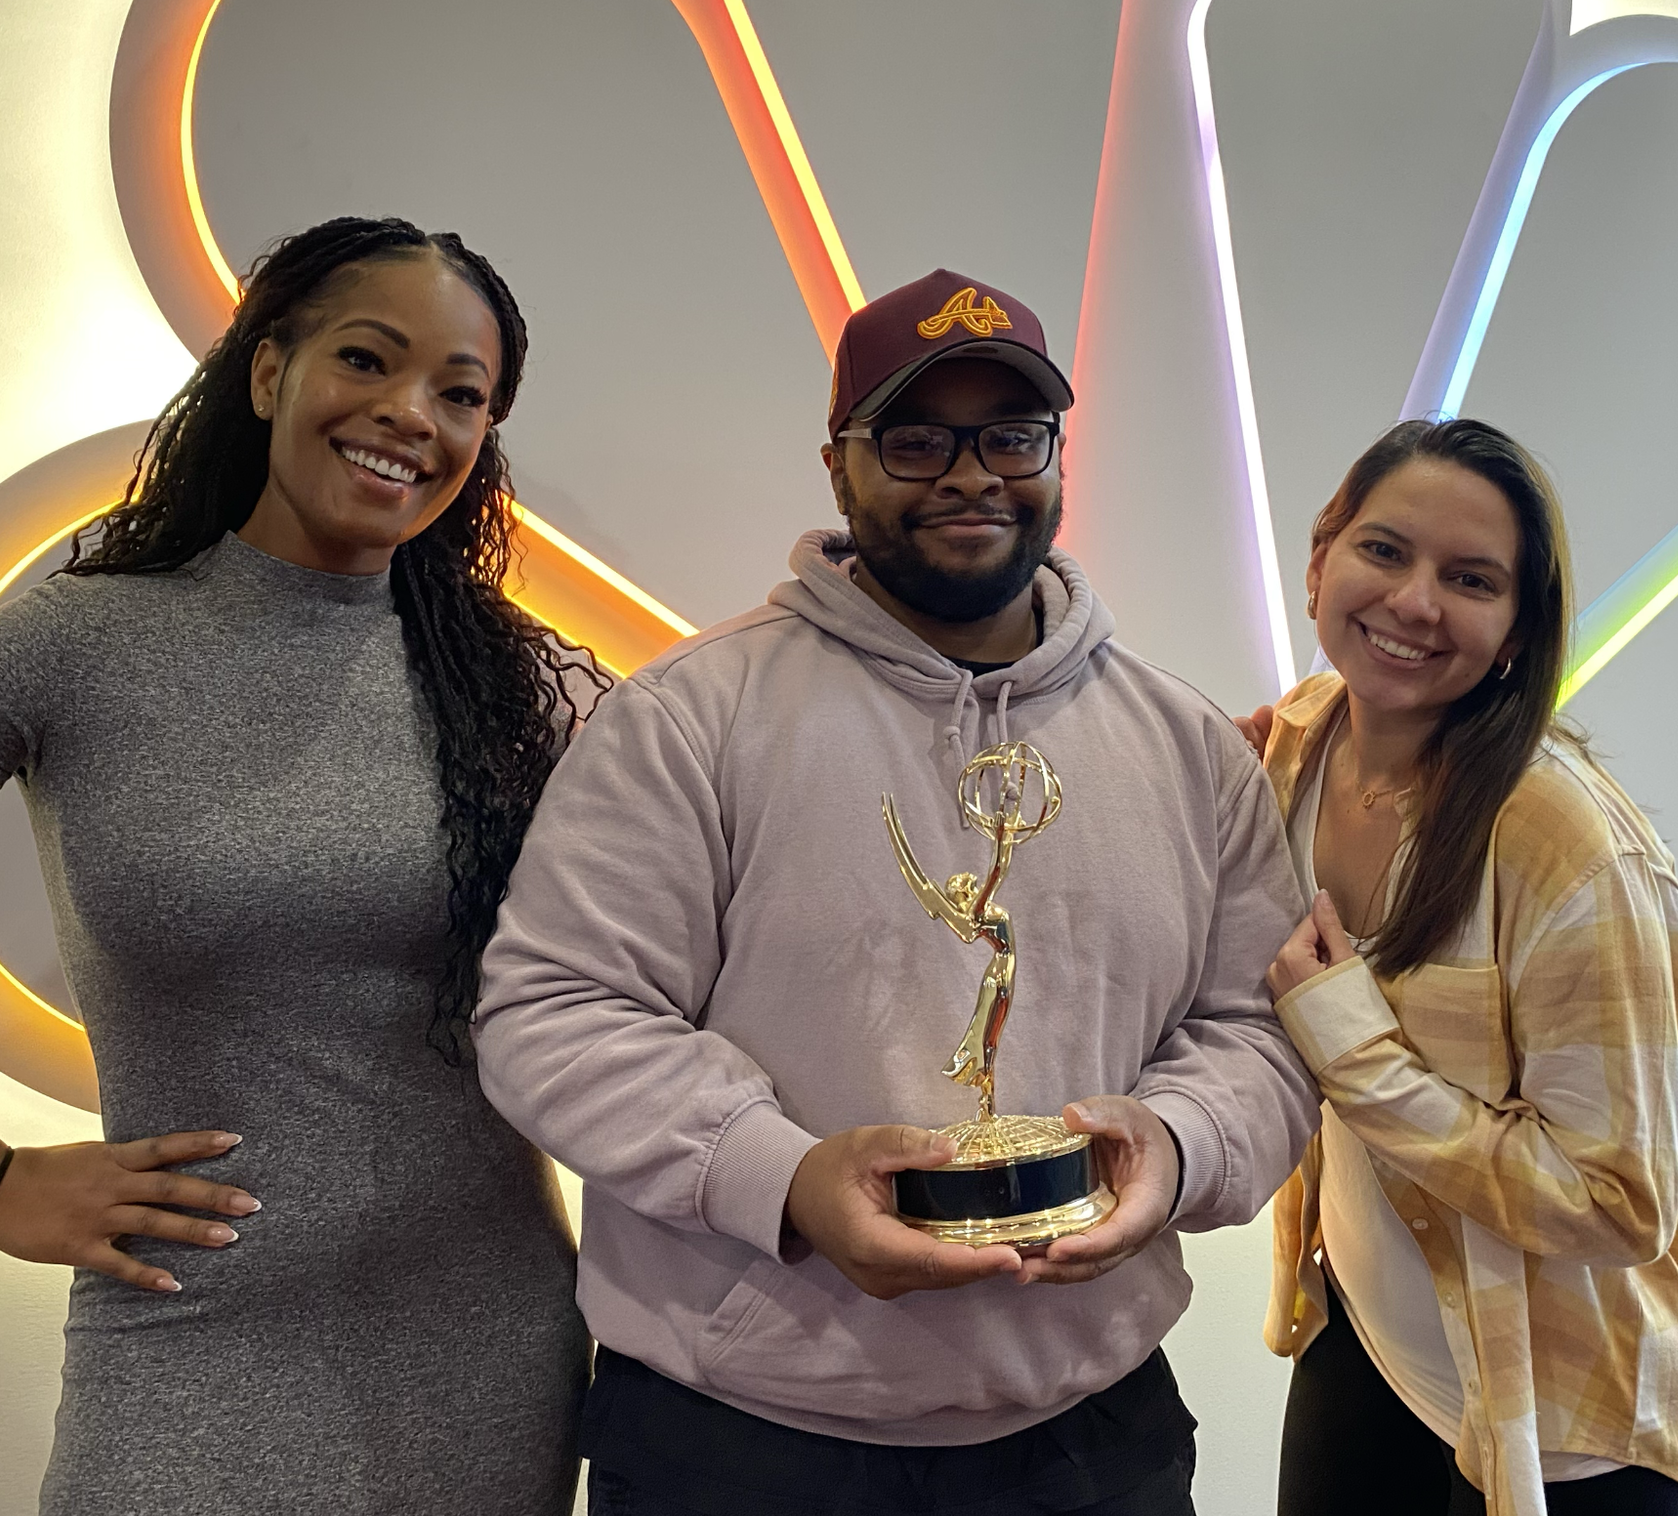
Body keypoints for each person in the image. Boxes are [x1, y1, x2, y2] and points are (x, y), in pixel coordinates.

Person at [0, 217, 600, 1515]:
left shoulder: (497, 684)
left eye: (460, 392)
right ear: (270, 370)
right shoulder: (80, 642)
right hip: (192, 1344)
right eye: (368, 359)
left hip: (481, 1351)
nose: (410, 415)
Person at [474, 267, 1319, 1516]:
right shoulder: (687, 722)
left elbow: (1258, 1029)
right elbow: (553, 1011)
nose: (970, 474)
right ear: (838, 464)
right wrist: (786, 1181)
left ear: (1055, 456)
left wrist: (1182, 1145)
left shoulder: (1188, 747)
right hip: (741, 1446)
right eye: (915, 439)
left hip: (1090, 1443)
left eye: (1011, 436)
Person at [1240, 419, 1678, 1516]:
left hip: (1561, 1429)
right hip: (1366, 1335)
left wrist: (1353, 1050)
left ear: (1512, 635)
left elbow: (1621, 1201)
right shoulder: (1293, 745)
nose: (1412, 602)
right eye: (1384, 551)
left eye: (1469, 578)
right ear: (1319, 561)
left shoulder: (1571, 846)